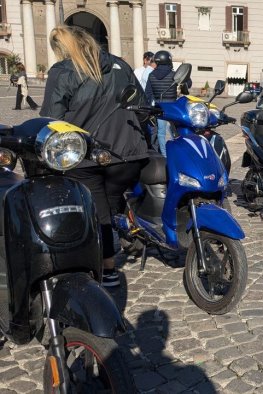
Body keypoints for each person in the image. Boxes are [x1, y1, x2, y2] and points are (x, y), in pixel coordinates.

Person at [41, 25, 150, 287]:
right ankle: (129, 232)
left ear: (61, 49)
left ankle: (108, 268)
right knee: (110, 202)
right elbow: (143, 105)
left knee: (96, 212)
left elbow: (50, 119)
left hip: (88, 156)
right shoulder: (121, 66)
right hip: (128, 153)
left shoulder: (63, 71)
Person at [145, 50, 191, 156]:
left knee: (161, 133)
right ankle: (177, 154)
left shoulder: (151, 75)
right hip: (173, 107)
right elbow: (188, 83)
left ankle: (165, 156)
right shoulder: (174, 75)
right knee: (176, 132)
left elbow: (148, 94)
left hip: (159, 108)